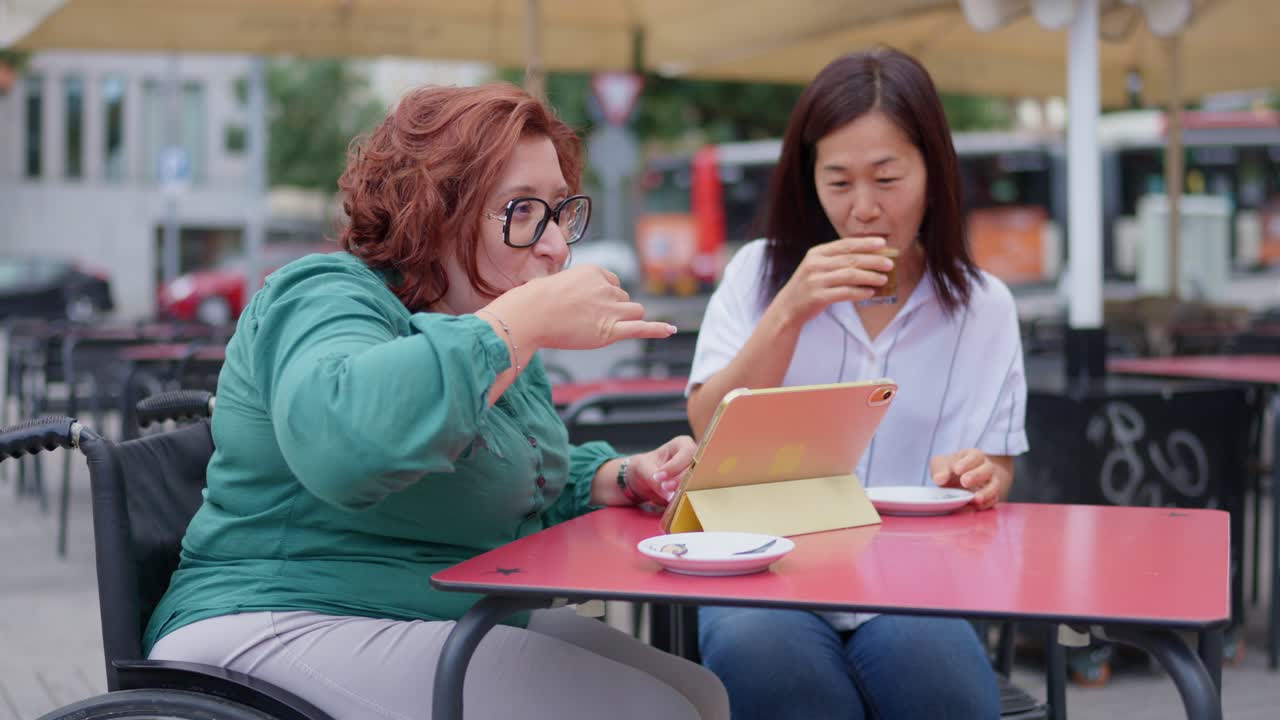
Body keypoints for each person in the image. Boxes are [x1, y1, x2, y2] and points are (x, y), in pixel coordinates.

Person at [145, 83, 729, 720]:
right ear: (435, 211)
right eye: (522, 211)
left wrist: (614, 477)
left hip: (428, 610)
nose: (557, 245)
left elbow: (507, 479)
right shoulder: (323, 294)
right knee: (654, 714)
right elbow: (345, 447)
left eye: (559, 211)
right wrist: (517, 324)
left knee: (703, 694)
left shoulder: (483, 320)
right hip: (271, 616)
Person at [686, 47, 1027, 720]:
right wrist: (789, 310)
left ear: (933, 171)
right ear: (806, 178)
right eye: (839, 182)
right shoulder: (758, 274)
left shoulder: (985, 307)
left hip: (915, 582)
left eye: (887, 178)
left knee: (947, 689)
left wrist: (982, 473)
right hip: (767, 570)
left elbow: (998, 462)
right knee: (771, 664)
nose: (864, 209)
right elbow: (706, 427)